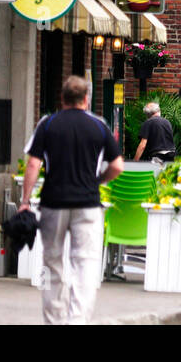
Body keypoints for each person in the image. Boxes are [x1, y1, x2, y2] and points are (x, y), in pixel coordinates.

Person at [20, 76, 125, 325]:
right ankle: (76, 320)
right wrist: (98, 181)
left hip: (53, 203)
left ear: (62, 98)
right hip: (87, 204)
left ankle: (54, 320)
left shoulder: (48, 124)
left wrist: (25, 199)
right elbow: (118, 165)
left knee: (52, 263)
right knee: (85, 265)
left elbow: (33, 163)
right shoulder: (99, 125)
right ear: (86, 99)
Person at [133, 102, 175, 169]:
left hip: (157, 157)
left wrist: (135, 161)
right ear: (159, 111)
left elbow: (142, 145)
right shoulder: (167, 122)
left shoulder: (148, 123)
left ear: (147, 114)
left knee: (156, 176)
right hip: (171, 155)